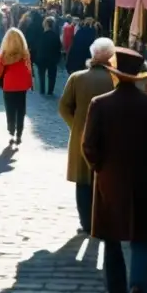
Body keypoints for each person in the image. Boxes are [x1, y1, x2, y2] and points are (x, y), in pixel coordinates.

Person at [82, 48, 147, 293]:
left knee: (112, 239)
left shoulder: (100, 104)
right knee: (141, 241)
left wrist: (100, 167)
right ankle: (138, 290)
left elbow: (89, 147)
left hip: (111, 180)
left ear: (114, 75)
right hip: (146, 181)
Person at [59, 37, 116, 234]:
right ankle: (105, 221)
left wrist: (75, 126)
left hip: (81, 137)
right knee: (106, 181)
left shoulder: (77, 78)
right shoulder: (115, 79)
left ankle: (86, 223)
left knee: (83, 182)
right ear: (110, 56)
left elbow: (64, 107)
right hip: (110, 138)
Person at [0, 28, 33, 146]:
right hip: (22, 85)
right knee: (21, 109)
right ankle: (19, 133)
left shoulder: (4, 55)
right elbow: (29, 69)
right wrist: (30, 83)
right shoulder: (24, 54)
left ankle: (11, 129)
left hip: (9, 85)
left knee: (10, 109)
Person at [36, 16, 63, 96]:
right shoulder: (55, 36)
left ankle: (42, 90)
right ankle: (50, 91)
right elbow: (59, 47)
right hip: (52, 59)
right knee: (52, 76)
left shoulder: (42, 35)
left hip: (42, 58)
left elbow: (38, 47)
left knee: (41, 75)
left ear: (46, 24)